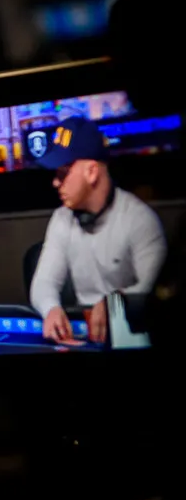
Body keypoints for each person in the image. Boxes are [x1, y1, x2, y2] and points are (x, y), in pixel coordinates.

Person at [28, 117, 167, 343]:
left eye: (63, 173)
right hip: (88, 336)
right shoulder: (61, 219)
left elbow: (153, 295)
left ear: (91, 172)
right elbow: (44, 283)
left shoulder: (140, 220)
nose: (55, 183)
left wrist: (114, 304)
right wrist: (51, 309)